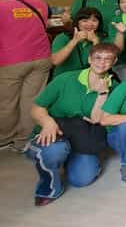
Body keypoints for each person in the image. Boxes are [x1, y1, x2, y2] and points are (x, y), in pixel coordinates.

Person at [25, 43, 119, 206]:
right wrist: (48, 122)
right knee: (54, 151)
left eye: (107, 59)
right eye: (97, 57)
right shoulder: (65, 79)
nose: (102, 62)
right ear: (89, 59)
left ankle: (74, 159)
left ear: (114, 62)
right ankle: (49, 187)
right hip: (55, 132)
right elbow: (36, 108)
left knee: (81, 180)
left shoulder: (115, 88)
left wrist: (103, 93)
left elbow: (97, 119)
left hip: (83, 138)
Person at [0, 0, 52, 152]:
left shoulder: (2, 6)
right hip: (42, 58)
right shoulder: (40, 3)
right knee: (32, 101)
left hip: (11, 60)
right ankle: (23, 141)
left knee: (7, 102)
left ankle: (4, 139)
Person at [50, 7, 103, 79]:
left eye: (94, 20)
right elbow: (55, 61)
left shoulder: (101, 38)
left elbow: (101, 64)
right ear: (77, 22)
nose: (90, 24)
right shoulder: (63, 37)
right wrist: (74, 41)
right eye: (85, 21)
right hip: (64, 79)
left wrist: (96, 42)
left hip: (88, 79)